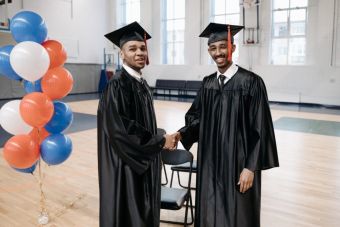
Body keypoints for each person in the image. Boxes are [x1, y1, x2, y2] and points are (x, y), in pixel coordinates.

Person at [172, 23, 279, 227]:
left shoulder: (251, 82)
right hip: (210, 162)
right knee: (210, 209)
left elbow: (260, 127)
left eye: (223, 46)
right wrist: (181, 134)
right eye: (213, 48)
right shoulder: (208, 83)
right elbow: (197, 118)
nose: (218, 52)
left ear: (233, 47)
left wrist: (251, 167)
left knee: (239, 212)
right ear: (209, 51)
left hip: (238, 163)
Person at [98, 21, 175, 227]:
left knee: (144, 211)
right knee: (130, 215)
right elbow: (123, 130)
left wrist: (157, 141)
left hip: (142, 159)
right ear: (121, 54)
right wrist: (159, 141)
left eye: (142, 48)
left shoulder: (140, 82)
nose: (139, 52)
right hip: (126, 166)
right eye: (132, 48)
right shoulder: (117, 84)